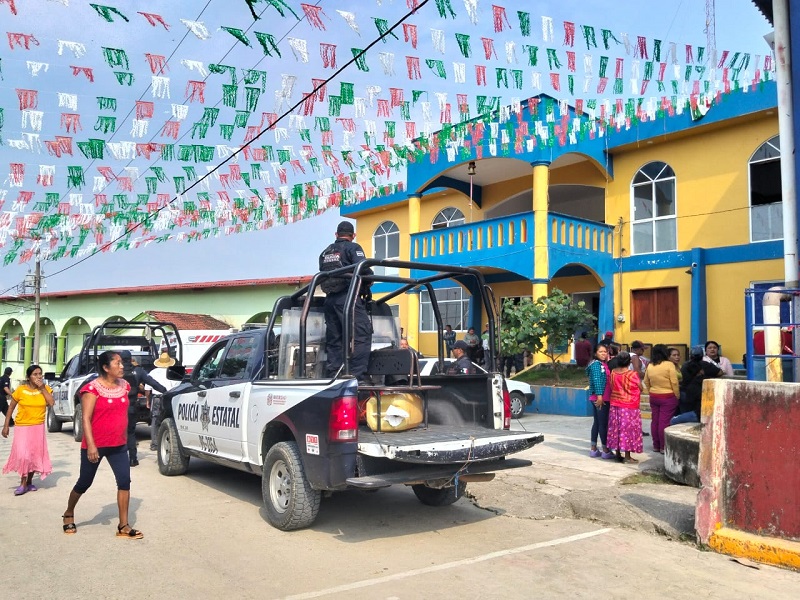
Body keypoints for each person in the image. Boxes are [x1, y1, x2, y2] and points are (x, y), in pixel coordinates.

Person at [62, 351, 143, 538]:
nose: (122, 366)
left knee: (124, 482)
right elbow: (86, 419)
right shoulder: (92, 389)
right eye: (117, 363)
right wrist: (91, 445)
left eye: (122, 363)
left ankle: (123, 525)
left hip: (119, 445)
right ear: (106, 368)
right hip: (95, 446)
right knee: (84, 482)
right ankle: (68, 513)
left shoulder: (124, 385)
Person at [318, 220, 373, 383]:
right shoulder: (353, 248)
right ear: (353, 235)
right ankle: (356, 376)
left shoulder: (325, 252)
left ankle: (333, 374)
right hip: (348, 298)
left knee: (335, 338)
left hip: (329, 301)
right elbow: (364, 268)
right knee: (361, 334)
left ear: (336, 235)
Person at [1, 365, 54, 496]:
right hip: (22, 426)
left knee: (33, 455)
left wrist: (42, 388)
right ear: (28, 377)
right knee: (24, 455)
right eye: (35, 374)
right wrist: (6, 425)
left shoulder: (46, 389)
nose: (38, 377)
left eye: (40, 374)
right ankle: (23, 483)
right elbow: (10, 408)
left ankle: (29, 482)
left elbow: (51, 403)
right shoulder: (20, 390)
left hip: (38, 426)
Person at [119, 351, 167, 467]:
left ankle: (119, 459)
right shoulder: (138, 371)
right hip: (131, 407)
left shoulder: (116, 372)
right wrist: (165, 391)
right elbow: (152, 383)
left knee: (119, 433)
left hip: (117, 408)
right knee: (130, 433)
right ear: (131, 359)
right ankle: (133, 459)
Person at [607, 352, 644, 464]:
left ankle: (617, 453)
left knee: (616, 429)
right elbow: (640, 387)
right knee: (627, 430)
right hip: (629, 406)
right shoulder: (632, 374)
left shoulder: (613, 372)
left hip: (615, 404)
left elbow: (612, 386)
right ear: (630, 361)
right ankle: (627, 457)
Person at [671, 346, 723, 425]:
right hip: (700, 394)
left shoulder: (684, 365)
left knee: (683, 418)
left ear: (690, 355)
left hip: (685, 393)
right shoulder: (705, 365)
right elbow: (720, 372)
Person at [643, 344, 680, 454]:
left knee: (655, 421)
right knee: (664, 422)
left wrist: (651, 390)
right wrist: (677, 395)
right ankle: (663, 447)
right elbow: (674, 381)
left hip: (654, 396)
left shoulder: (650, 365)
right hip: (668, 396)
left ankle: (656, 445)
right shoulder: (669, 364)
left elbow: (646, 381)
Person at [145, 351, 179, 451]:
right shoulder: (173, 372)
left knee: (155, 420)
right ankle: (168, 441)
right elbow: (177, 387)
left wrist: (148, 401)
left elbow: (148, 390)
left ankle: (155, 444)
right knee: (169, 420)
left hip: (156, 398)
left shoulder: (153, 372)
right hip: (169, 397)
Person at [586, 344, 615, 459]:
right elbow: (597, 381)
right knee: (603, 424)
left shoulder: (600, 364)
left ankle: (594, 449)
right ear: (595, 353)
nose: (604, 354)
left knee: (597, 423)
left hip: (601, 397)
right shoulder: (597, 365)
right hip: (601, 398)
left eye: (605, 352)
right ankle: (605, 450)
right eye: (601, 352)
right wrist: (599, 397)